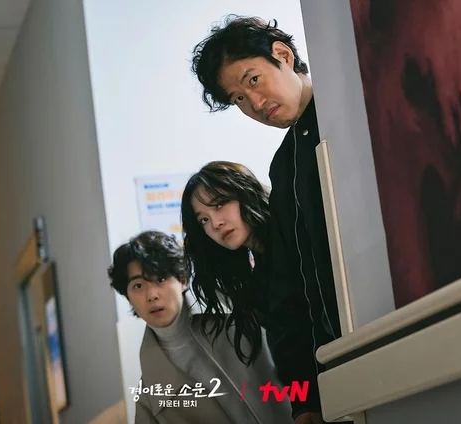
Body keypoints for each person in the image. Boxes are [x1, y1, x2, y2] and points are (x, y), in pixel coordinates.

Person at [190, 16, 345, 424]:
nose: (255, 104)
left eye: (253, 80)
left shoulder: (349, 112)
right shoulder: (284, 163)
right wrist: (305, 400)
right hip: (339, 360)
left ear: (283, 55)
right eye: (239, 98)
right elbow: (297, 288)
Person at [107, 230, 292, 424]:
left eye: (160, 279)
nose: (152, 295)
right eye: (138, 286)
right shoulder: (150, 397)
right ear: (128, 297)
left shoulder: (236, 316)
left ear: (183, 280)